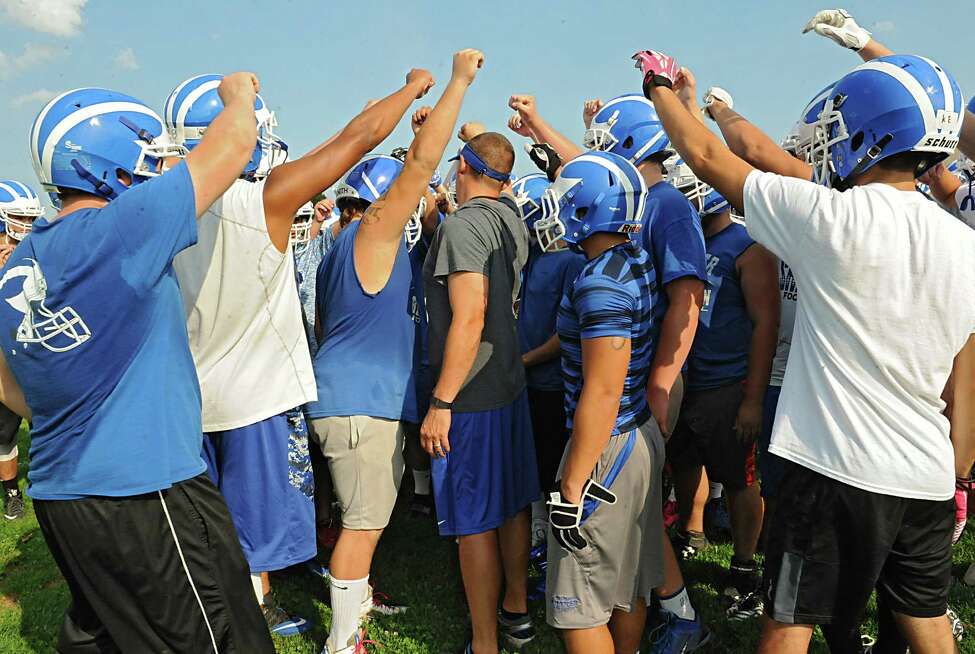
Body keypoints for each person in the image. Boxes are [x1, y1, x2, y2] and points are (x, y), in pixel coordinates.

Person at [635, 48, 975, 653]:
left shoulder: (832, 217)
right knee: (925, 621)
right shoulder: (963, 241)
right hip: (924, 472)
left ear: (874, 131)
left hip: (832, 465)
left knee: (789, 619)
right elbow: (961, 374)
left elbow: (710, 159)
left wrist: (659, 88)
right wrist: (958, 472)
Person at [0, 77, 275, 652]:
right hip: (147, 489)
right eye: (146, 158)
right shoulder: (119, 231)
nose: (154, 172)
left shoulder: (19, 262)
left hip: (60, 494)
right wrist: (236, 94)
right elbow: (233, 146)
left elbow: (11, 386)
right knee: (220, 637)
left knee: (112, 635)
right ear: (109, 166)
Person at [165, 69, 432, 636]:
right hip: (257, 395)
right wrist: (410, 89)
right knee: (256, 526)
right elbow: (355, 140)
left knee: (206, 526)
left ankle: (225, 609)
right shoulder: (264, 199)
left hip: (190, 392)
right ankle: (246, 616)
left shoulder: (156, 209)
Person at [305, 46, 473, 649]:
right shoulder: (373, 234)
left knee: (363, 520)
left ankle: (359, 600)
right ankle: (344, 639)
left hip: (349, 397)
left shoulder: (341, 249)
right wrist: (455, 83)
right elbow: (423, 168)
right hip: (361, 406)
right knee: (363, 524)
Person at [577, 93, 711, 652]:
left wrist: (660, 379)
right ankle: (661, 607)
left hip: (643, 377)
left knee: (635, 507)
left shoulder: (666, 205)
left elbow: (688, 296)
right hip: (627, 375)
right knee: (633, 507)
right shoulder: (635, 197)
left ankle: (680, 614)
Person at [533, 149, 661, 654]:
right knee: (625, 586)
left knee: (577, 604)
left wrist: (572, 479)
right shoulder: (633, 257)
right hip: (636, 431)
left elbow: (602, 390)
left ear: (585, 209)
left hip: (606, 445)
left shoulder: (599, 282)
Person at [421, 129, 538, 654]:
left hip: (471, 392)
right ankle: (516, 610)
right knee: (512, 506)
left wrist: (442, 402)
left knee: (474, 522)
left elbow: (468, 317)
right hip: (508, 380)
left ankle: (485, 642)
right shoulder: (511, 214)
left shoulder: (464, 225)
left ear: (462, 168)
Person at [665, 187, 779, 620]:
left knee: (737, 478)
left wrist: (752, 399)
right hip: (686, 379)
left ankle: (745, 564)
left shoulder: (746, 248)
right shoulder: (683, 240)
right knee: (685, 461)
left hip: (727, 383)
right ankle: (692, 532)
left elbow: (765, 325)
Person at [512, 172, 585, 545]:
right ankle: (539, 518)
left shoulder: (571, 262)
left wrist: (524, 360)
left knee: (553, 458)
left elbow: (565, 333)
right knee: (534, 458)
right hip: (529, 378)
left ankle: (553, 527)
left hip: (553, 382)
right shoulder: (533, 257)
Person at [0, 179, 43, 521]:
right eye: (18, 219)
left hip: (23, 351)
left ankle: (18, 489)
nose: (26, 228)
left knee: (20, 423)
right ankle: (12, 490)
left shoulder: (33, 252)